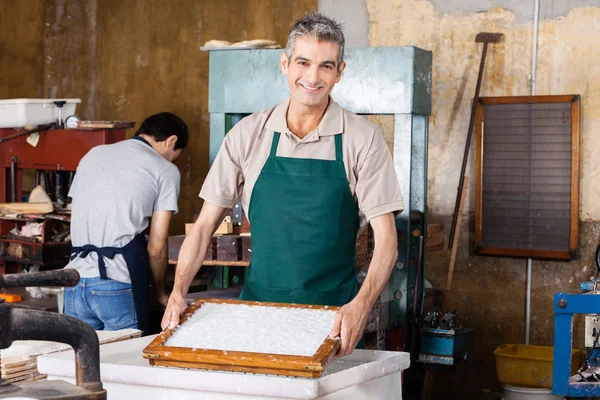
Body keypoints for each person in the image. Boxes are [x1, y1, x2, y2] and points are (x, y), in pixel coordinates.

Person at [163, 12, 402, 356]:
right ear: (285, 64)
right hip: (258, 313)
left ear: (340, 73)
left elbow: (387, 241)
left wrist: (361, 305)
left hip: (333, 319)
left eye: (326, 66)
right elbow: (202, 229)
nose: (312, 77)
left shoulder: (363, 139)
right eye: (303, 63)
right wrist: (177, 293)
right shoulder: (248, 134)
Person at [65, 112, 188, 334]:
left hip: (74, 279)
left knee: (78, 363)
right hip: (116, 283)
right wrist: (160, 292)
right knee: (123, 362)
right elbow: (157, 245)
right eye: (174, 155)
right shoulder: (165, 170)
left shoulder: (93, 155)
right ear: (172, 141)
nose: (171, 160)